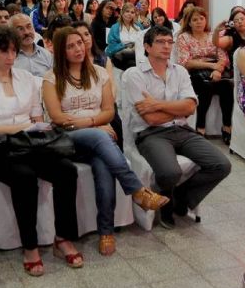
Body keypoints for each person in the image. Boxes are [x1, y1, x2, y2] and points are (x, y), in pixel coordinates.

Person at [43, 27, 168, 255]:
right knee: (101, 137)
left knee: (104, 168)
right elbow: (58, 118)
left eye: (79, 43)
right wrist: (94, 124)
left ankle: (106, 232)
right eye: (70, 46)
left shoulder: (99, 73)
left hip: (96, 139)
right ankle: (138, 190)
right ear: (61, 51)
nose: (78, 48)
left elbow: (109, 112)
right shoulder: (52, 78)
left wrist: (96, 124)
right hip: (66, 139)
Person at [0, 25, 82, 276]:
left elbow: (37, 117)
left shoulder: (27, 79)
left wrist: (27, 126)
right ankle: (30, 246)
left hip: (28, 143)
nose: (10, 56)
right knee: (25, 177)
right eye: (4, 51)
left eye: (13, 50)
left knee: (66, 170)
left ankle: (63, 238)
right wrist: (23, 125)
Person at [122, 26, 231, 229]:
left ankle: (181, 197)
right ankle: (168, 202)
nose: (166, 46)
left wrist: (158, 104)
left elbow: (190, 106)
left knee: (221, 165)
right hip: (151, 133)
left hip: (182, 130)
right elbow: (152, 119)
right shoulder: (134, 74)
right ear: (147, 46)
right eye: (160, 42)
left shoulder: (179, 71)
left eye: (169, 42)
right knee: (170, 172)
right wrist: (176, 109)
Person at [177, 6, 234, 143]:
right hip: (194, 74)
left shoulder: (212, 36)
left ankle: (227, 127)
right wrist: (211, 65)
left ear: (206, 20)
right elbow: (186, 62)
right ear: (189, 22)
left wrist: (217, 70)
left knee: (226, 85)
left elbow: (223, 57)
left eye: (201, 18)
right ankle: (200, 127)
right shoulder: (184, 37)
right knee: (206, 87)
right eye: (194, 19)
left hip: (215, 72)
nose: (198, 22)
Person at [105, 2, 143, 70]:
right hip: (120, 56)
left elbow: (144, 42)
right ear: (122, 13)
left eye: (132, 12)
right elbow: (111, 48)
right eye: (127, 11)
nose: (129, 14)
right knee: (132, 64)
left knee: (139, 62)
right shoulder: (115, 27)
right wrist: (125, 45)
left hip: (136, 53)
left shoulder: (138, 26)